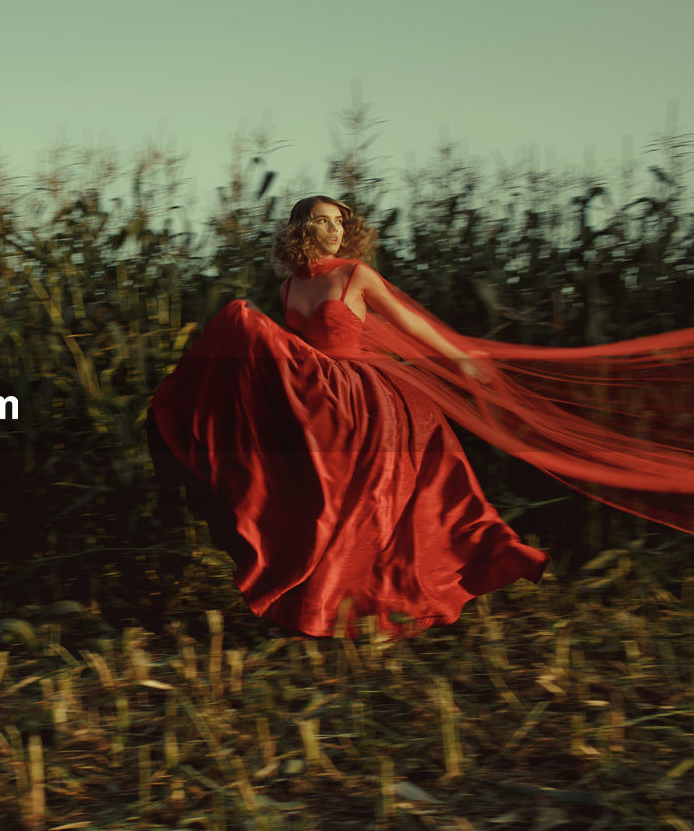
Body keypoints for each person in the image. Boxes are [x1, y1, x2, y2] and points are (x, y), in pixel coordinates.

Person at [148, 195, 694, 637]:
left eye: (340, 222)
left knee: (371, 501)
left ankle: (400, 594)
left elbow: (411, 327)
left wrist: (461, 359)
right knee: (321, 491)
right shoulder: (291, 285)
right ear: (299, 229)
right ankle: (328, 598)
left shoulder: (356, 276)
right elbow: (294, 347)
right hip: (317, 395)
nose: (334, 231)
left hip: (364, 396)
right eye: (322, 222)